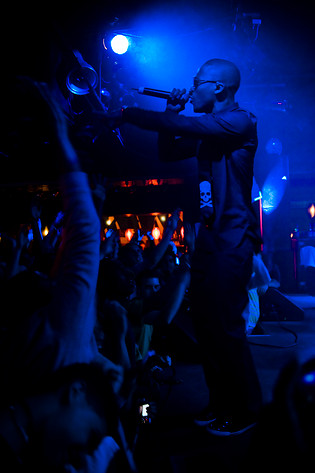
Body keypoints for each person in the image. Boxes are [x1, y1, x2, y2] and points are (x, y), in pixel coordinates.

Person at [102, 58, 263, 435]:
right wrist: (170, 109)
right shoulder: (211, 132)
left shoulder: (240, 121)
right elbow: (169, 151)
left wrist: (128, 113)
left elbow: (182, 126)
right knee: (207, 326)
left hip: (232, 236)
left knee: (226, 327)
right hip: (210, 237)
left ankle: (247, 410)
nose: (192, 89)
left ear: (218, 88)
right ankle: (220, 402)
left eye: (197, 83)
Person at [0, 79, 129, 471]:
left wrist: (61, 136)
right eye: (93, 437)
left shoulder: (65, 334)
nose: (89, 449)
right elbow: (82, 245)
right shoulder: (66, 344)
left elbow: (85, 236)